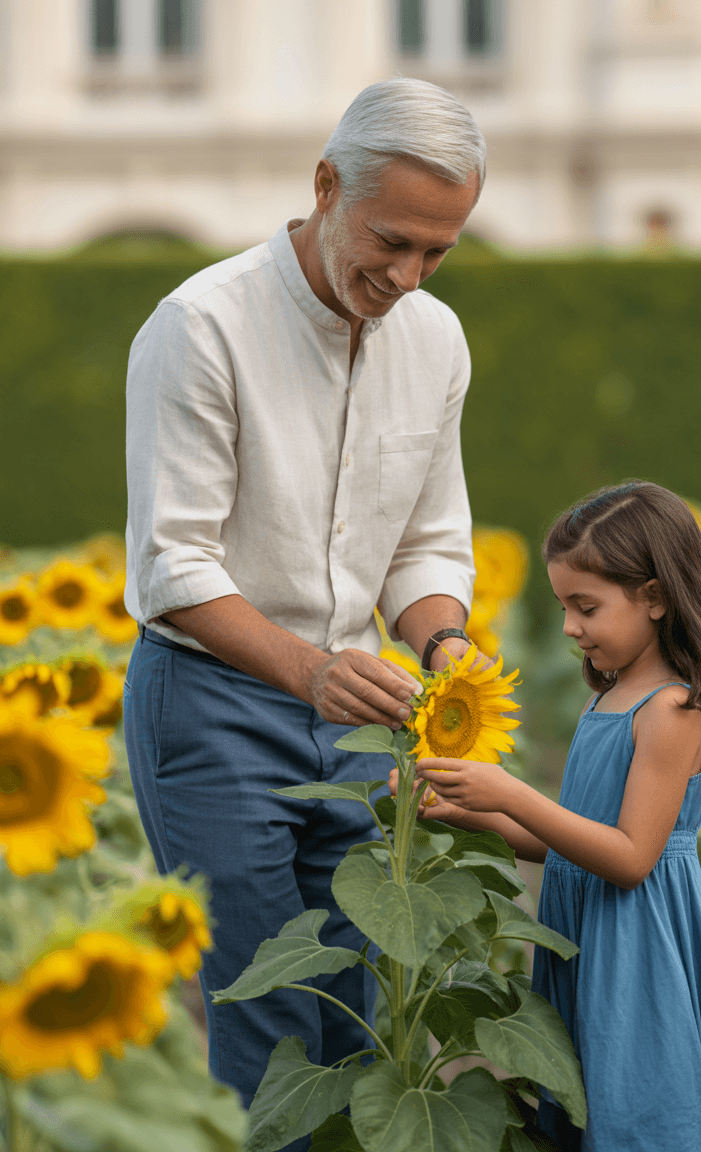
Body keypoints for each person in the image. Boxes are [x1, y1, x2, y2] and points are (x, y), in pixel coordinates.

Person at [123, 78, 488, 1141]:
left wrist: (448, 644)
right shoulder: (201, 326)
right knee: (273, 1009)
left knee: (371, 997)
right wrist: (310, 671)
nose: (408, 276)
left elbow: (425, 543)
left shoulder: (437, 341)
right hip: (213, 701)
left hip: (366, 703)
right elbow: (172, 565)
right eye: (391, 241)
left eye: (437, 252)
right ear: (326, 184)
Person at [409, 480, 701, 1151]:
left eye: (586, 606)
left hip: (638, 946)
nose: (569, 625)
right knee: (590, 1100)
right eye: (564, 605)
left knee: (639, 1104)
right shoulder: (607, 700)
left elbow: (629, 859)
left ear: (654, 597)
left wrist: (513, 792)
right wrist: (457, 810)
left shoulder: (669, 711)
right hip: (588, 932)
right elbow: (568, 841)